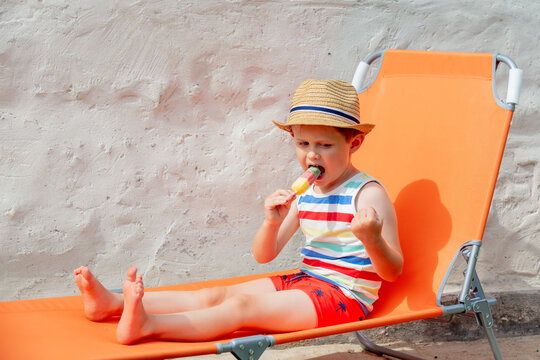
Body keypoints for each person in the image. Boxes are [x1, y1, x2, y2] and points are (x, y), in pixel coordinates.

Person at [74, 79, 403, 345]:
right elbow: (264, 255)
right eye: (303, 144)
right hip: (305, 281)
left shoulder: (367, 193)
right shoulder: (308, 193)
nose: (312, 155)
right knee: (217, 294)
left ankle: (148, 326)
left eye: (325, 145)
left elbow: (392, 272)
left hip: (343, 298)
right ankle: (112, 305)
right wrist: (270, 222)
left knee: (241, 308)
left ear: (355, 144)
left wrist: (371, 238)